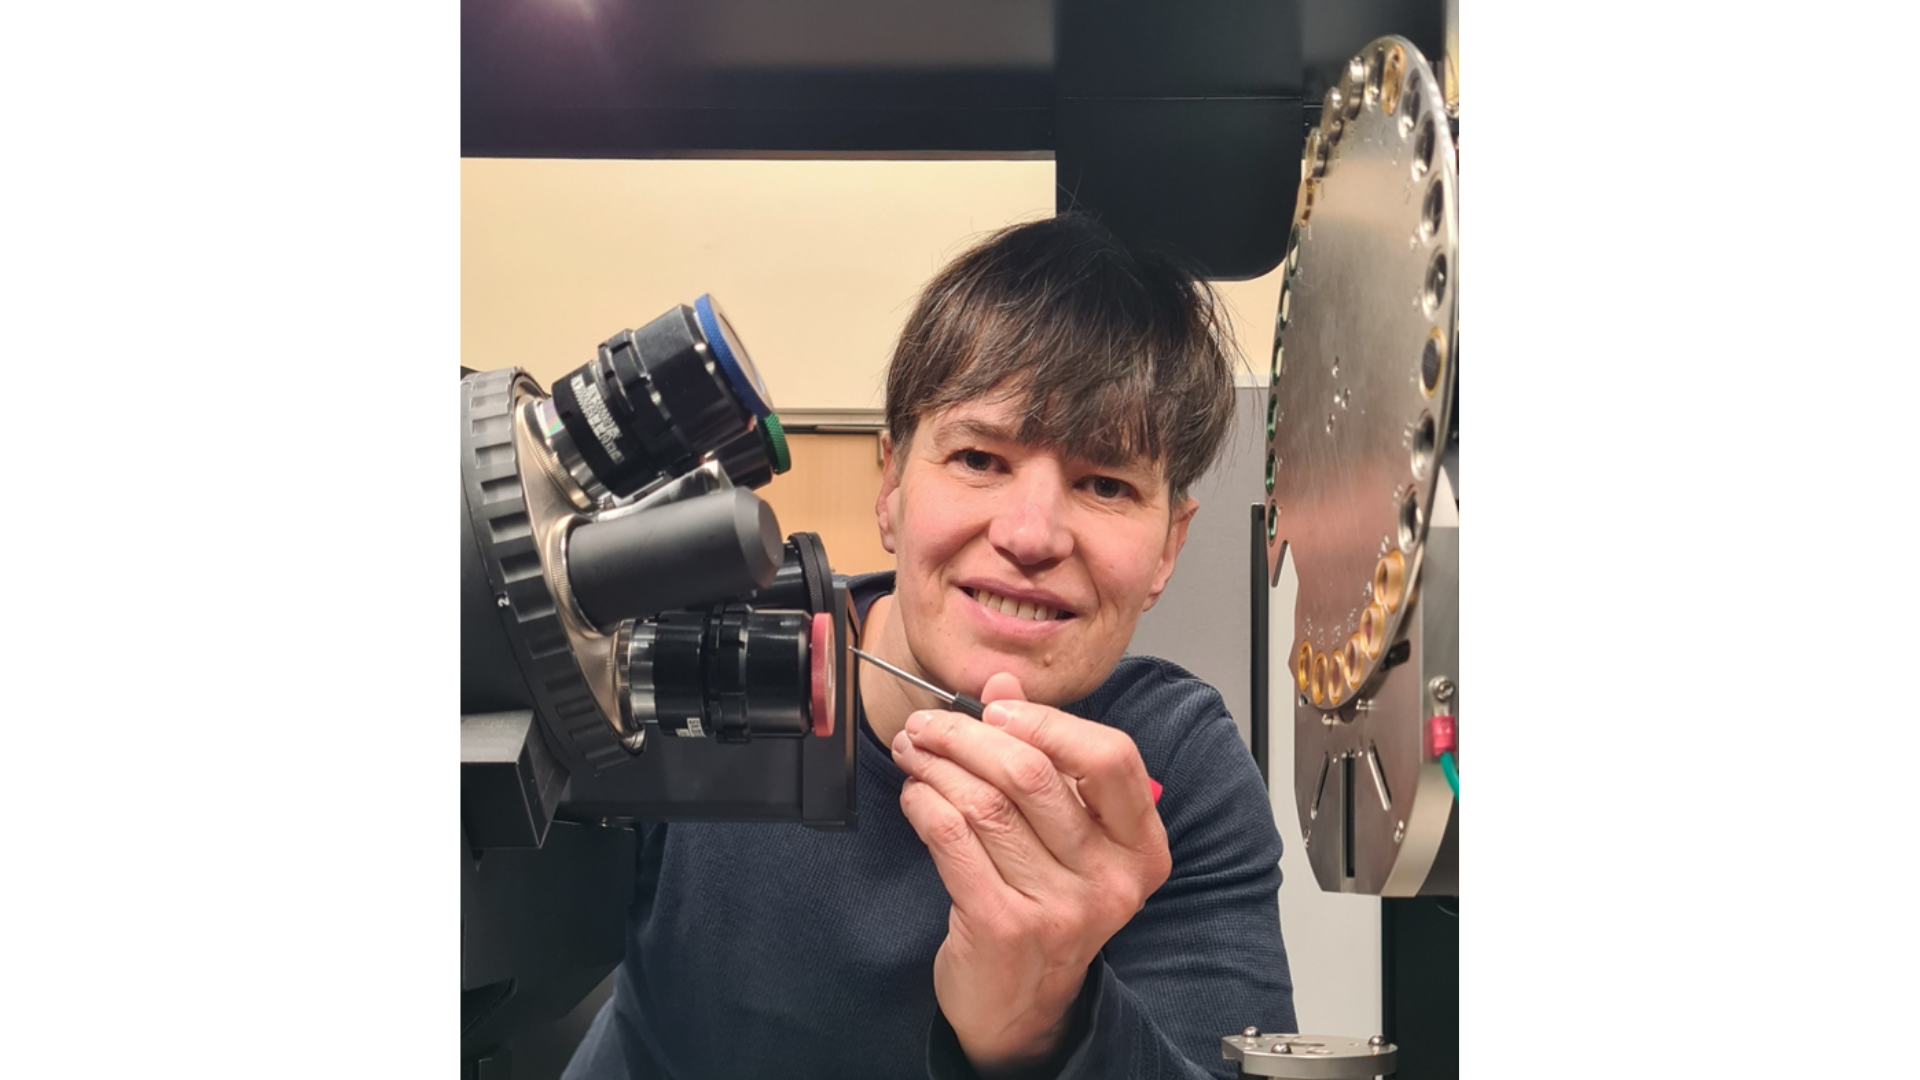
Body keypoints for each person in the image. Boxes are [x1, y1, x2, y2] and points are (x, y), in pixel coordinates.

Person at [564, 213, 1294, 1080]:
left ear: (1168, 548)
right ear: (891, 486)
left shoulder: (1178, 765)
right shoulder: (697, 667)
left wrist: (1041, 1028)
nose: (1030, 535)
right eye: (980, 459)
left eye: (1105, 483)